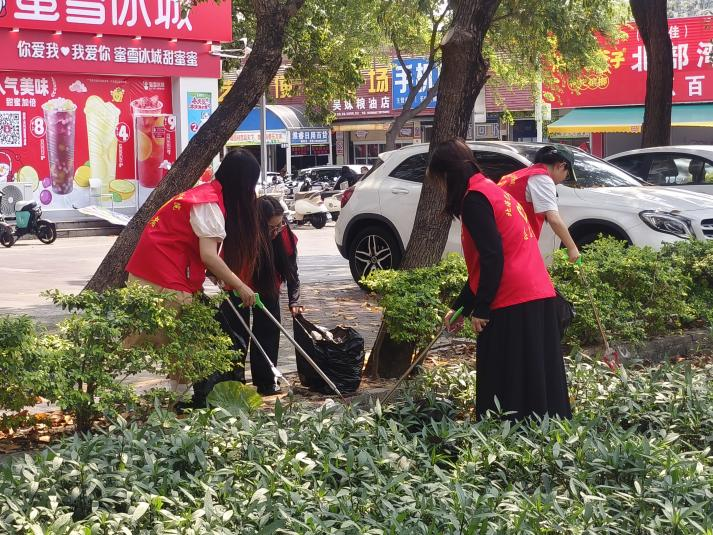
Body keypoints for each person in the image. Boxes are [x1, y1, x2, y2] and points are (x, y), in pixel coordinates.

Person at [429, 138, 571, 421]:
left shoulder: (474, 199)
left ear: (448, 174)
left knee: (504, 378)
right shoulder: (490, 189)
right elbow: (487, 261)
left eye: (439, 181)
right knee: (536, 378)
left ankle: (505, 434)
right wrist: (460, 308)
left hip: (513, 296)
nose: (441, 188)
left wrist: (481, 309)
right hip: (536, 290)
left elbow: (492, 257)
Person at [193, 196, 303, 401]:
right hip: (237, 287)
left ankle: (267, 381)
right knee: (235, 337)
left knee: (268, 333)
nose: (276, 231)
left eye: (279, 225)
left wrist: (294, 299)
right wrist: (218, 276)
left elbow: (292, 270)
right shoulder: (241, 235)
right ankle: (234, 383)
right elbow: (216, 259)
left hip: (268, 288)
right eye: (271, 228)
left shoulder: (284, 235)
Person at [125, 149, 261, 308]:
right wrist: (240, 286)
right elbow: (208, 256)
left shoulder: (202, 194)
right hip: (164, 282)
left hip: (146, 274)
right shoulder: (208, 203)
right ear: (242, 184)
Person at [498, 145, 580, 263]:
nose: (563, 179)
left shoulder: (523, 174)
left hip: (500, 238)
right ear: (561, 166)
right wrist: (572, 248)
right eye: (567, 175)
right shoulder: (542, 178)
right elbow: (554, 219)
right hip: (510, 243)